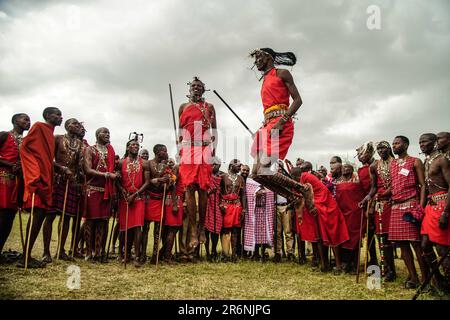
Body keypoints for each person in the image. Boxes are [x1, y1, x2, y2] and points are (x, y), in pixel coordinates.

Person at [248, 48, 305, 201]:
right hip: (268, 126)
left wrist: (282, 121)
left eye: (258, 56)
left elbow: (298, 100)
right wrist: (263, 126)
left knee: (264, 170)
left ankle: (303, 189)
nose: (256, 60)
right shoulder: (265, 80)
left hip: (280, 124)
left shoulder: (282, 73)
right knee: (256, 174)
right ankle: (293, 197)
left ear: (268, 57)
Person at [18, 107, 63, 268]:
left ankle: (27, 255)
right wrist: (34, 173)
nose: (60, 117)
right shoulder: (38, 126)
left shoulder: (51, 134)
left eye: (60, 114)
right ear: (47, 116)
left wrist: (58, 168)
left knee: (41, 214)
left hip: (47, 179)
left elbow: (46, 158)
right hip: (37, 180)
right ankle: (25, 257)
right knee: (37, 215)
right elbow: (24, 148)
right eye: (57, 114)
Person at [178, 77, 217, 249]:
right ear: (189, 88)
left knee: (203, 188)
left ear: (203, 90)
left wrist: (213, 152)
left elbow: (214, 131)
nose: (196, 88)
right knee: (189, 187)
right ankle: (193, 229)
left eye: (199, 86)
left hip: (204, 149)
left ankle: (201, 228)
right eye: (193, 86)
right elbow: (180, 133)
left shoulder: (209, 107)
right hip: (187, 150)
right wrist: (180, 150)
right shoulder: (183, 107)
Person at [292, 164, 349, 273]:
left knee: (332, 236)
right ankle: (324, 265)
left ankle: (338, 265)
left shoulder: (305, 178)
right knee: (319, 238)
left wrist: (313, 205)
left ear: (296, 176)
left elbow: (312, 194)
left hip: (327, 206)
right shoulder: (303, 178)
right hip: (318, 207)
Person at [389, 135, 428, 289]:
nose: (394, 146)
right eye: (393, 144)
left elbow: (423, 185)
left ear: (405, 145)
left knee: (416, 244)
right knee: (403, 245)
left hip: (410, 205)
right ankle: (413, 277)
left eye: (397, 143)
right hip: (395, 207)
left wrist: (421, 206)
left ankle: (425, 279)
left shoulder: (415, 161)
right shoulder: (393, 164)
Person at [42, 118, 83, 263]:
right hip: (57, 179)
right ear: (67, 126)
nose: (78, 126)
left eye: (79, 124)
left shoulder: (80, 144)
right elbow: (48, 158)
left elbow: (79, 165)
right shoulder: (57, 138)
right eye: (75, 124)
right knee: (50, 215)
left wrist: (78, 179)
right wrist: (61, 168)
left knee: (67, 217)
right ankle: (46, 251)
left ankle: (61, 250)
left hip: (71, 182)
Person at [361, 141, 397, 281]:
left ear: (389, 149)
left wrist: (387, 192)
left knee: (394, 239)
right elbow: (374, 187)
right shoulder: (374, 166)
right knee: (382, 238)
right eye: (379, 148)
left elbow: (398, 183)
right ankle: (388, 269)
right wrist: (366, 198)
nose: (381, 150)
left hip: (395, 202)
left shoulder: (397, 163)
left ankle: (392, 269)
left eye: (384, 148)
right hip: (381, 205)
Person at [419, 133, 449, 291]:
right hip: (430, 207)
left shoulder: (442, 160)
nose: (421, 144)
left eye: (424, 141)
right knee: (425, 245)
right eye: (420, 142)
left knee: (443, 248)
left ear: (435, 142)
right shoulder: (426, 161)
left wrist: (446, 212)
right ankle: (439, 279)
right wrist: (422, 207)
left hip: (442, 205)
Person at [83, 127, 117, 262]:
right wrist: (107, 174)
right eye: (104, 132)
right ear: (97, 135)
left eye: (109, 132)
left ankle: (99, 252)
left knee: (103, 222)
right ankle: (88, 251)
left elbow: (114, 168)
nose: (107, 134)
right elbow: (88, 169)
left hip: (106, 191)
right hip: (93, 189)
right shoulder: (90, 150)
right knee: (90, 222)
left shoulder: (110, 151)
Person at [0, 113, 31, 261]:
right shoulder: (4, 135)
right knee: (2, 215)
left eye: (29, 119)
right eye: (24, 119)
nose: (28, 121)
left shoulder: (27, 142)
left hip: (17, 183)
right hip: (3, 180)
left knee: (9, 218)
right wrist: (10, 164)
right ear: (14, 121)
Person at [116, 139, 150, 267]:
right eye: (132, 145)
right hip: (125, 198)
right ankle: (125, 254)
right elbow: (117, 180)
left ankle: (137, 255)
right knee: (124, 227)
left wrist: (135, 194)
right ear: (127, 147)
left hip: (138, 198)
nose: (135, 147)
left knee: (137, 227)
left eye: (137, 145)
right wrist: (123, 191)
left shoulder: (145, 163)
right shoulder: (120, 163)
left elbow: (147, 182)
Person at [334, 162, 365, 274]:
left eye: (348, 168)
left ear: (352, 170)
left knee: (355, 238)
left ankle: (354, 264)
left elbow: (362, 195)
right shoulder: (337, 182)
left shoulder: (357, 181)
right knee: (344, 237)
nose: (345, 169)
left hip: (355, 213)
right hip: (342, 213)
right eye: (343, 168)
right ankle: (345, 263)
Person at [143, 144, 170, 264]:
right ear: (158, 152)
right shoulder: (148, 164)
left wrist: (169, 182)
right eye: (164, 151)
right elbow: (147, 182)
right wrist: (159, 180)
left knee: (158, 230)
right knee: (146, 228)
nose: (166, 152)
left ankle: (155, 255)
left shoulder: (166, 166)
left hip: (160, 199)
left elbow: (169, 185)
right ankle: (142, 254)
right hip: (149, 198)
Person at [356, 142, 378, 266]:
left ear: (369, 152)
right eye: (358, 155)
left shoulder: (377, 165)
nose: (359, 156)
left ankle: (387, 264)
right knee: (369, 234)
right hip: (366, 204)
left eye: (362, 153)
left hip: (378, 202)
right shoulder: (360, 170)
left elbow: (377, 187)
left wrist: (372, 203)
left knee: (381, 234)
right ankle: (373, 259)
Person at [220, 159, 246, 262]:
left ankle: (234, 255)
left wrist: (243, 209)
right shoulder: (223, 177)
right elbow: (219, 192)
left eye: (240, 166)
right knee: (226, 230)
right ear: (231, 166)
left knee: (235, 231)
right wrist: (221, 204)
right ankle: (225, 254)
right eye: (238, 166)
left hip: (237, 206)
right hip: (226, 206)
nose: (240, 168)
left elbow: (243, 194)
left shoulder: (240, 179)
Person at [243, 178, 275, 262]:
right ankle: (256, 253)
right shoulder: (251, 182)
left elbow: (270, 193)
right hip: (255, 211)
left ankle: (263, 252)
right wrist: (256, 193)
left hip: (265, 211)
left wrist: (264, 191)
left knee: (264, 234)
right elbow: (250, 193)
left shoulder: (267, 183)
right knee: (256, 233)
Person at [160, 158, 183, 264]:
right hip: (174, 200)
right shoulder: (177, 167)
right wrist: (174, 204)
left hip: (175, 200)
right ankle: (166, 256)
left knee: (172, 229)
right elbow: (172, 185)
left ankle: (163, 253)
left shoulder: (180, 168)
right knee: (173, 229)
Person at [204, 157, 223, 262]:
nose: (213, 166)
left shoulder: (221, 178)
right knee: (206, 229)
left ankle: (214, 250)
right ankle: (207, 252)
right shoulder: (206, 176)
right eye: (211, 164)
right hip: (207, 204)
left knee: (216, 230)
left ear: (219, 165)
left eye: (215, 164)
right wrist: (210, 193)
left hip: (217, 205)